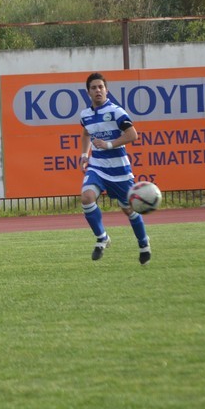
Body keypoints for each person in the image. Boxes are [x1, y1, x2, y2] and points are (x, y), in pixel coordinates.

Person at [78, 72, 151, 265]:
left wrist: (109, 144)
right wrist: (84, 155)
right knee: (86, 198)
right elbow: (86, 133)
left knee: (129, 209)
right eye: (94, 88)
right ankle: (102, 238)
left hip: (119, 171)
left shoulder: (116, 111)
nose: (98, 90)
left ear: (106, 90)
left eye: (101, 87)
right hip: (97, 167)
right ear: (88, 92)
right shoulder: (85, 115)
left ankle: (144, 244)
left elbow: (132, 135)